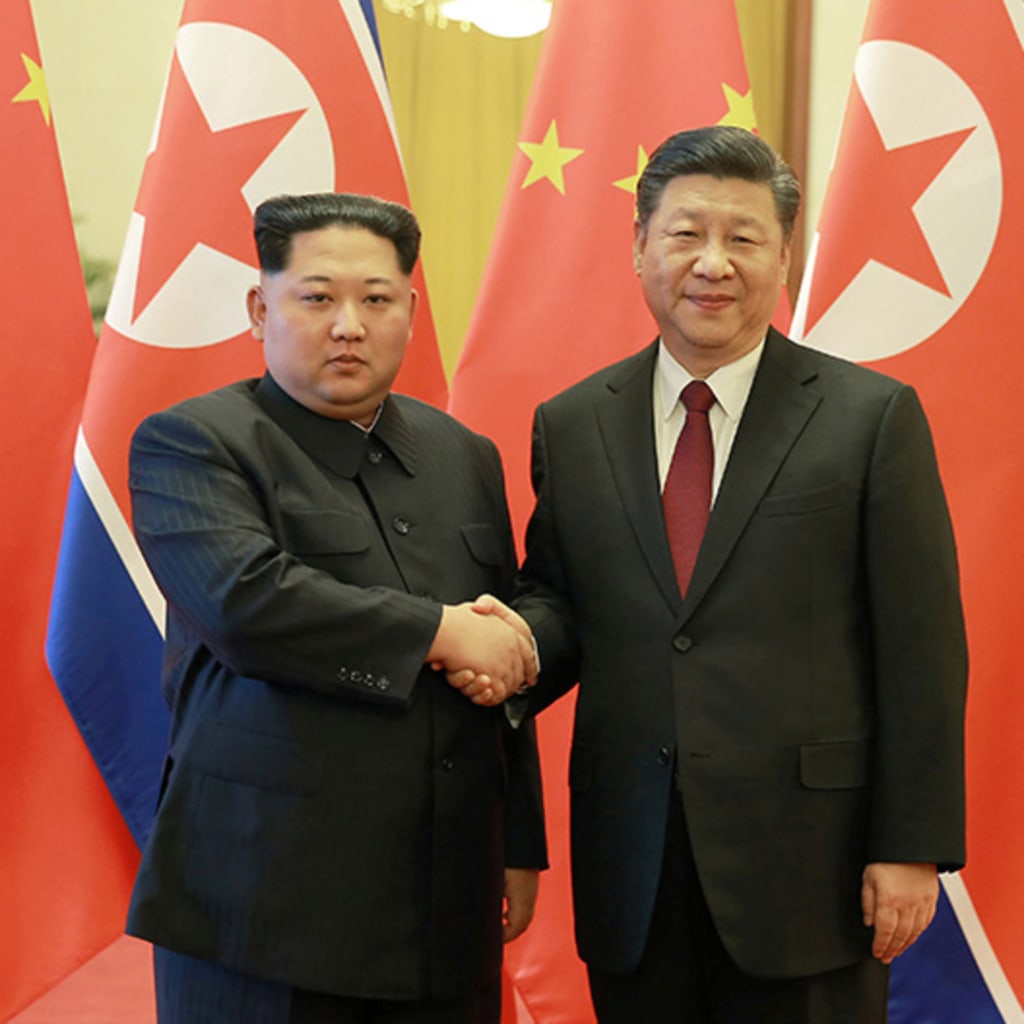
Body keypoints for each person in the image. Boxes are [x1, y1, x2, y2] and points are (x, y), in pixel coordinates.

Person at [471, 126, 968, 1021]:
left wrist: (913, 846)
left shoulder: (870, 417)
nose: (713, 263)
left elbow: (921, 646)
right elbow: (561, 599)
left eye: (743, 238)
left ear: (784, 257)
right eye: (685, 233)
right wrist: (502, 644)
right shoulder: (576, 423)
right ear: (638, 246)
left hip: (812, 863)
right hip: (633, 855)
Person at [125, 192, 546, 1024]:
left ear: (411, 311)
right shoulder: (194, 442)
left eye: (376, 299)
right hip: (264, 911)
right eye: (317, 297)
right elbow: (247, 602)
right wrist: (438, 629)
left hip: (443, 901)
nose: (348, 323)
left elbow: (499, 648)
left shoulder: (463, 455)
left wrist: (518, 842)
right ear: (260, 308)